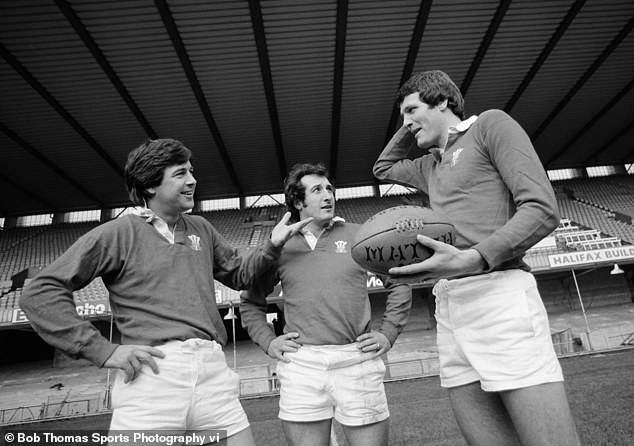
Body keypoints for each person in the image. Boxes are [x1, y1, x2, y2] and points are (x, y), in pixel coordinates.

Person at [19, 138, 311, 445]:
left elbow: (241, 275)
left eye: (192, 171)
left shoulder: (201, 227)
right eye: (181, 173)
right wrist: (103, 351)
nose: (192, 180)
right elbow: (41, 292)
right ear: (149, 186)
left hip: (212, 371)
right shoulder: (118, 232)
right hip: (152, 376)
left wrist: (272, 246)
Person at [373, 70, 581, 446]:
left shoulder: (489, 125)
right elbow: (383, 168)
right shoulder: (429, 165)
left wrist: (473, 258)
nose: (404, 122)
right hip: (449, 306)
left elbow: (541, 209)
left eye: (411, 109)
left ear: (443, 102)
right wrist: (413, 122)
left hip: (500, 296)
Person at [240, 163, 412, 446]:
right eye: (317, 190)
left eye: (330, 189)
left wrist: (388, 332)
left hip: (357, 359)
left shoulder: (361, 234)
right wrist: (269, 342)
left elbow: (399, 283)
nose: (328, 195)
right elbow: (251, 302)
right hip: (302, 365)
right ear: (298, 201)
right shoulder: (280, 245)